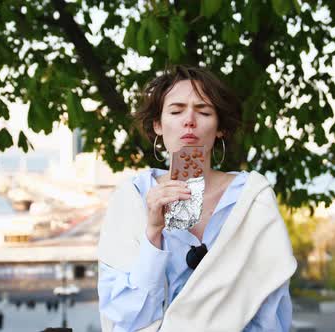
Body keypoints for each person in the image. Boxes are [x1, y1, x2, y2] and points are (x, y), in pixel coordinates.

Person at [97, 65, 297, 331]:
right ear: (157, 124)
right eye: (176, 111)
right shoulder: (130, 199)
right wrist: (153, 232)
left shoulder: (252, 198)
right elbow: (127, 318)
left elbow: (271, 306)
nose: (189, 120)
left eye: (203, 111)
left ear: (220, 129)